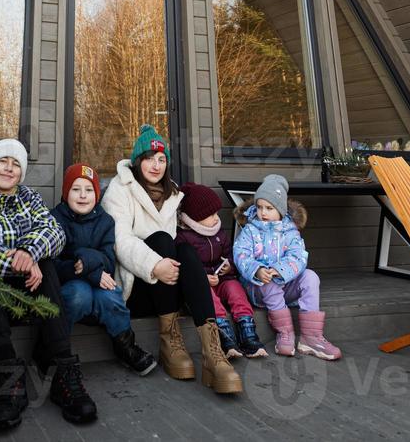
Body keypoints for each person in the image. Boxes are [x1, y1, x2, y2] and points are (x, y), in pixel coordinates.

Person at [0, 139, 97, 430]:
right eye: (3, 161)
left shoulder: (29, 198)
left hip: (27, 287)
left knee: (47, 263)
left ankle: (64, 374)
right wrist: (14, 261)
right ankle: (10, 384)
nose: (9, 168)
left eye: (16, 163)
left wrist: (30, 254)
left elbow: (54, 232)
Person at [99, 125, 242, 395]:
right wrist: (155, 265)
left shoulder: (173, 194)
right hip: (137, 287)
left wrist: (198, 275)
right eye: (150, 158)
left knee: (185, 250)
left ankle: (213, 354)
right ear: (138, 160)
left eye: (162, 159)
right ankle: (169, 341)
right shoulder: (120, 189)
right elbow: (119, 241)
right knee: (164, 241)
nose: (156, 165)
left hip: (170, 284)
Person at [49, 163, 158, 375]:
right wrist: (86, 269)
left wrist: (88, 262)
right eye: (76, 189)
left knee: (112, 294)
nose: (82, 196)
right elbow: (53, 264)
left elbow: (108, 261)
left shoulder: (105, 221)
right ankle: (52, 347)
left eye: (89, 190)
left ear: (97, 195)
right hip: (70, 287)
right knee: (80, 294)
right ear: (65, 193)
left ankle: (125, 346)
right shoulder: (55, 218)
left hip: (99, 286)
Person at [232, 173, 341, 361]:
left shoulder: (290, 231)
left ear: (281, 210)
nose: (263, 213)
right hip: (259, 288)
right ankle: (285, 332)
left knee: (310, 277)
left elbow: (298, 256)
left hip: (285, 283)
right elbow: (241, 254)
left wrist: (280, 270)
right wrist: (257, 270)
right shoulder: (250, 230)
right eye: (259, 207)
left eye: (269, 208)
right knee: (270, 283)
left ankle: (311, 337)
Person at [176, 182, 268, 359]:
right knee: (211, 300)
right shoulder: (183, 237)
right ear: (195, 217)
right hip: (204, 284)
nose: (216, 218)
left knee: (236, 291)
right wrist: (202, 277)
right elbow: (185, 267)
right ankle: (225, 338)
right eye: (210, 214)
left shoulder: (219, 232)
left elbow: (231, 255)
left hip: (224, 279)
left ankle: (248, 333)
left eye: (216, 213)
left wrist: (229, 267)